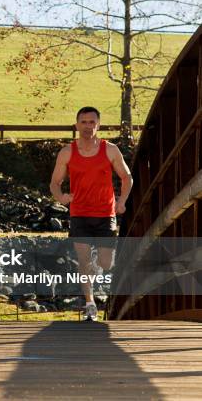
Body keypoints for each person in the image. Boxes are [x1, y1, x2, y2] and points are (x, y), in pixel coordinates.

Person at [50, 107, 133, 321]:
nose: (88, 126)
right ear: (77, 125)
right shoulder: (67, 152)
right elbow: (55, 183)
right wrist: (61, 198)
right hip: (79, 214)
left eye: (92, 122)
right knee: (82, 259)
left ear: (99, 125)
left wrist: (122, 201)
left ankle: (98, 265)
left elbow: (127, 177)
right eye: (84, 122)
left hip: (105, 214)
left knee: (107, 264)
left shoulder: (110, 150)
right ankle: (90, 304)